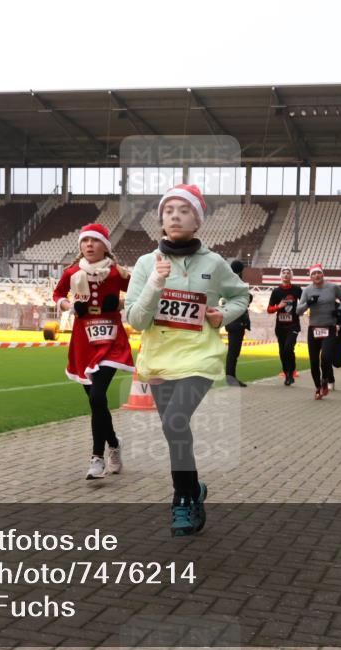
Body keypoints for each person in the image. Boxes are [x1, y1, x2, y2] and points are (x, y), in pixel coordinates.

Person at [125, 184, 250, 537]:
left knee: (175, 421)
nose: (175, 216)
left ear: (197, 221)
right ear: (161, 220)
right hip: (159, 359)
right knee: (175, 433)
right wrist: (155, 283)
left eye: (184, 211)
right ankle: (193, 489)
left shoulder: (214, 263)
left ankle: (181, 500)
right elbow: (135, 320)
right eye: (168, 211)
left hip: (200, 356)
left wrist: (222, 315)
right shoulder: (146, 263)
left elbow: (241, 296)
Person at [53, 223, 135, 480]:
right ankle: (114, 443)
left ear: (105, 246)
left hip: (111, 340)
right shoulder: (72, 272)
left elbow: (140, 292)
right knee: (96, 401)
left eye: (95, 240)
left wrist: (121, 302)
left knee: (98, 397)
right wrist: (69, 306)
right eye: (85, 240)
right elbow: (58, 294)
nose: (89, 245)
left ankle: (97, 458)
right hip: (83, 341)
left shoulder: (117, 273)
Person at [295, 264, 341, 400]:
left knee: (326, 357)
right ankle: (318, 387)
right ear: (310, 277)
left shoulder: (333, 287)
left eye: (318, 273)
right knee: (313, 362)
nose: (316, 275)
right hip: (314, 329)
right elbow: (298, 311)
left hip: (329, 327)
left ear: (322, 274)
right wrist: (308, 304)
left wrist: (340, 310)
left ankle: (325, 379)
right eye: (313, 274)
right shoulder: (307, 290)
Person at [266, 267, 303, 385]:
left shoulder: (297, 289)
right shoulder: (276, 291)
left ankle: (291, 371)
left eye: (288, 273)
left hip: (293, 325)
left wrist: (301, 310)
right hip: (280, 327)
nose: (286, 275)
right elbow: (269, 309)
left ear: (291, 276)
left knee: (288, 348)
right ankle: (287, 374)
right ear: (281, 276)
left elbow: (304, 303)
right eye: (284, 273)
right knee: (282, 351)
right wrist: (278, 306)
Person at [224, 260, 252, 387]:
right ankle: (230, 377)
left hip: (232, 320)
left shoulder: (228, 281)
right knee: (233, 352)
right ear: (240, 271)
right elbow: (245, 298)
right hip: (236, 320)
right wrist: (248, 298)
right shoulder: (235, 283)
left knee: (233, 352)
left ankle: (231, 377)